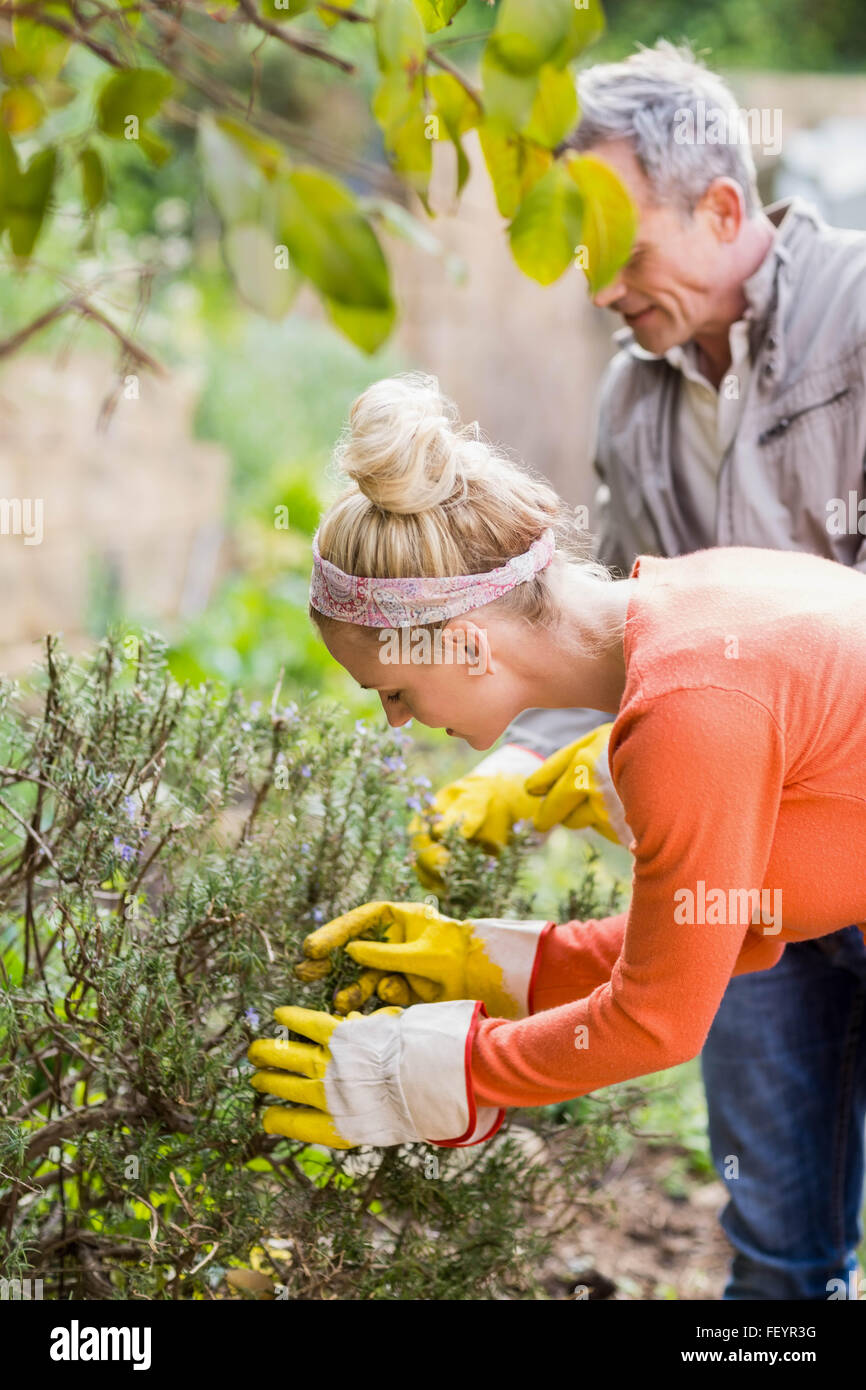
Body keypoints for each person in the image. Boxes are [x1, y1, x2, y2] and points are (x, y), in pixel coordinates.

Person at [407, 40, 866, 1300]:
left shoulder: (860, 317)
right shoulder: (629, 397)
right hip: (740, 851)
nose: (601, 288)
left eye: (621, 249)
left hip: (840, 815)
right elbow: (596, 628)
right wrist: (515, 764)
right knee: (778, 1239)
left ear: (721, 207)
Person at [247, 374, 866, 1246]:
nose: (393, 719)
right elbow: (726, 933)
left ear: (461, 643)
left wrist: (435, 1071)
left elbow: (656, 1022)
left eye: (391, 688)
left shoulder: (687, 712)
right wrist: (491, 965)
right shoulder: (688, 610)